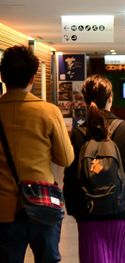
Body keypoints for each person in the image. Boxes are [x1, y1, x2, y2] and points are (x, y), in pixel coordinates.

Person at [63, 74, 125, 263]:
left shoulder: (78, 134)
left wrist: (73, 208)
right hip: (122, 210)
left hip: (88, 213)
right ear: (110, 99)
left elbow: (71, 177)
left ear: (85, 100)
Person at [0, 45, 74, 262]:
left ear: (2, 75)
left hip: (3, 209)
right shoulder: (48, 112)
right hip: (42, 204)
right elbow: (66, 158)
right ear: (33, 78)